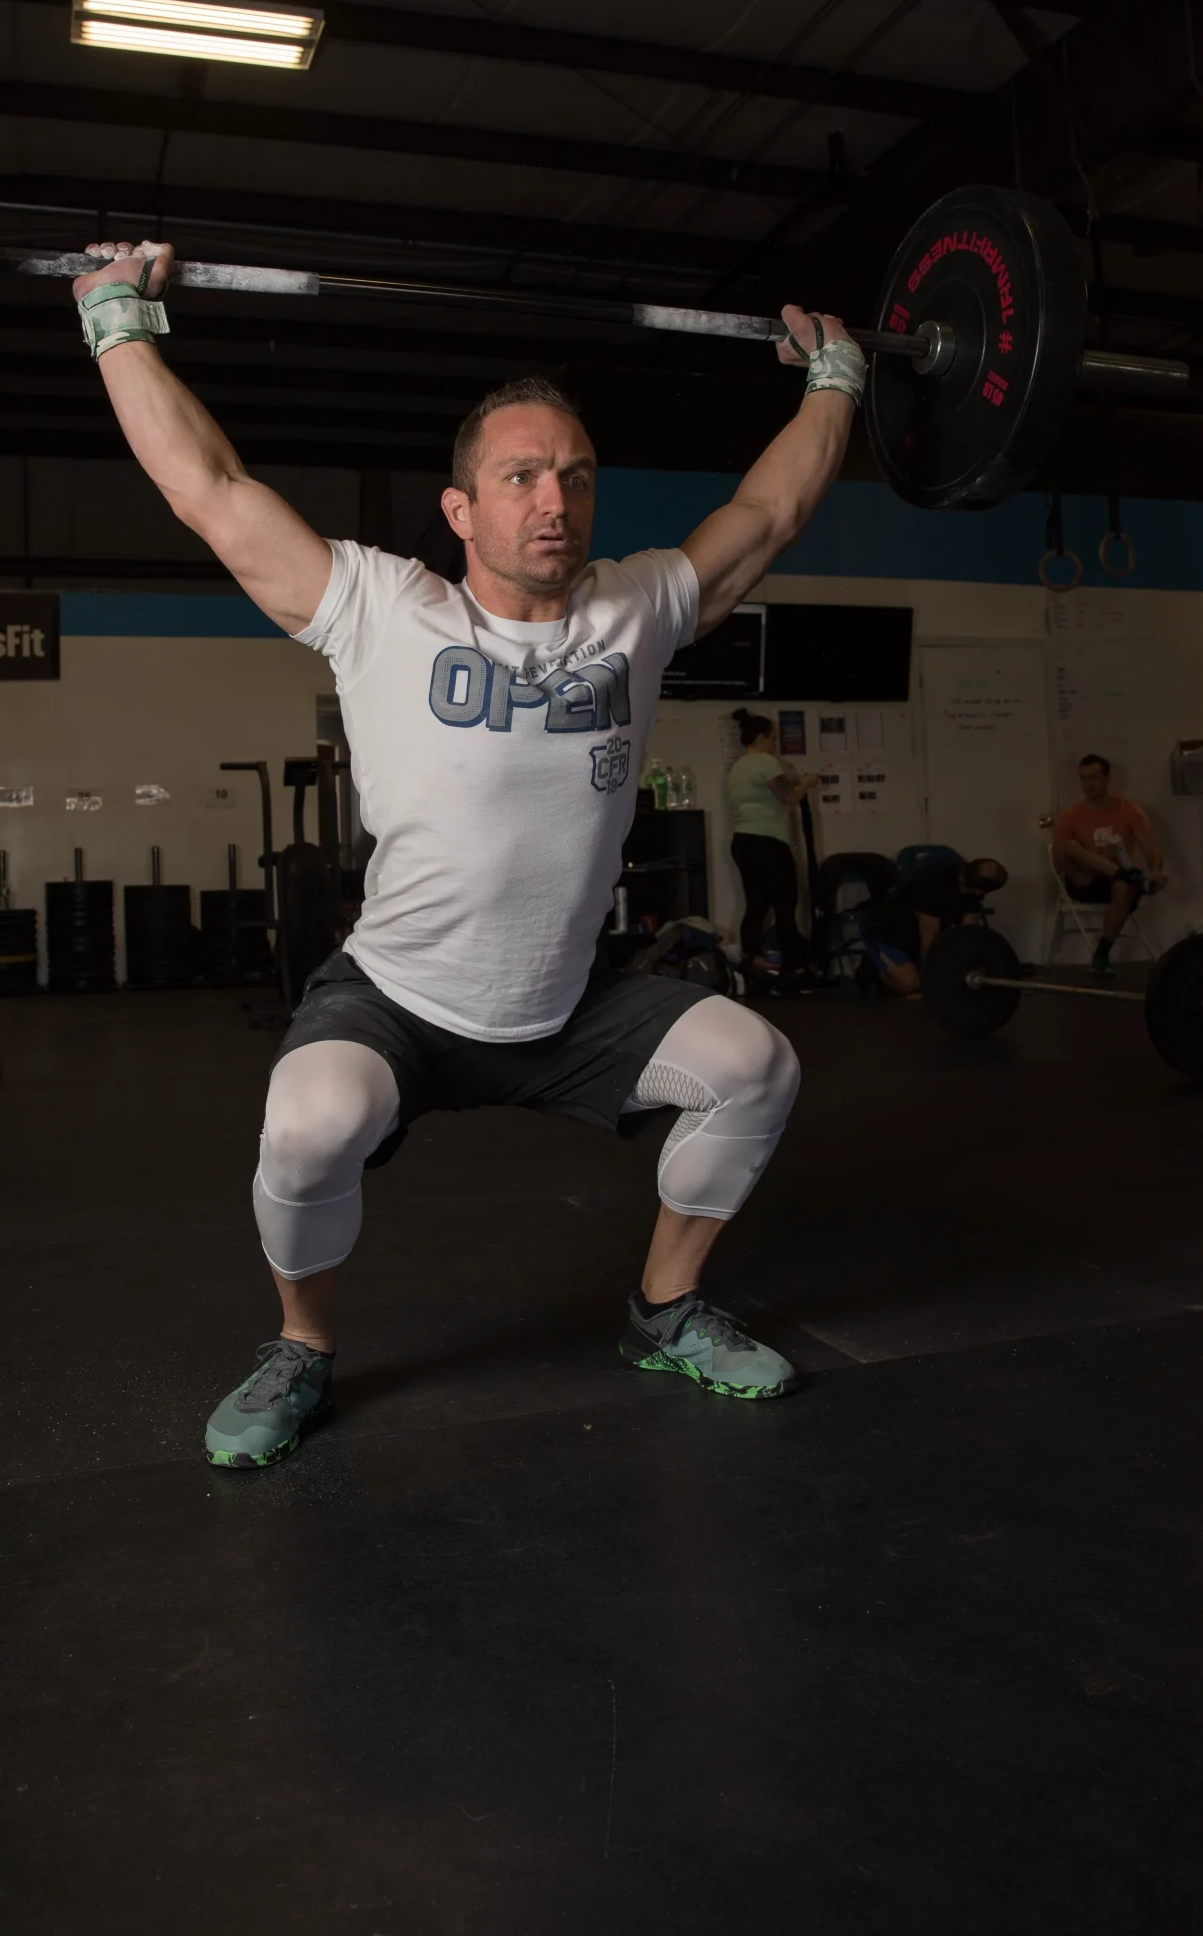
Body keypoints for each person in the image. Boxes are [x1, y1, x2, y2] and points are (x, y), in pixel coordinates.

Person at [70, 239, 866, 1467]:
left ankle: (664, 1310)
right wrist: (120, 323)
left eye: (576, 478)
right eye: (521, 478)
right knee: (308, 1126)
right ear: (463, 509)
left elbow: (769, 513)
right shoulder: (381, 607)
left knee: (756, 1065)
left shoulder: (637, 607)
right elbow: (211, 488)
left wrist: (837, 385)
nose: (555, 501)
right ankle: (303, 1350)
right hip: (400, 999)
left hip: (566, 1001)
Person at [726, 709, 819, 998]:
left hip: (743, 842)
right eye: (773, 738)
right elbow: (790, 796)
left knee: (756, 905)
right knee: (784, 906)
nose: (775, 743)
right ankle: (794, 972)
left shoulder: (738, 767)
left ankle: (751, 967)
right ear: (761, 737)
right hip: (768, 843)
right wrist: (807, 782)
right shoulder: (765, 762)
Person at [1051, 753, 1166, 978]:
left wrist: (1156, 870)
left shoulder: (1129, 810)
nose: (1088, 785)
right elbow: (1058, 860)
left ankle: (1101, 954)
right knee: (1069, 846)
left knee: (1124, 886)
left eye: (1094, 778)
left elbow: (1152, 847)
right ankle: (1130, 876)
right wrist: (1088, 859)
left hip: (1117, 882)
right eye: (1083, 779)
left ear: (1106, 779)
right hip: (1082, 879)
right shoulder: (1072, 814)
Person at [860, 855, 1009, 995]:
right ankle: (872, 971)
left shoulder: (974, 894)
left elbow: (967, 937)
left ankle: (904, 968)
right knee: (912, 985)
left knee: (943, 974)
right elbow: (929, 940)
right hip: (883, 932)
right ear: (978, 888)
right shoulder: (932, 883)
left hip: (912, 937)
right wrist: (929, 990)